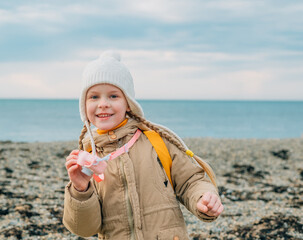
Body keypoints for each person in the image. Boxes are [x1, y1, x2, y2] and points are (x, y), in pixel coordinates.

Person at [63, 51, 223, 239]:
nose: (103, 104)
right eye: (94, 97)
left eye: (113, 96)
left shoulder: (156, 141)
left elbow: (190, 181)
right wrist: (80, 190)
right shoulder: (89, 158)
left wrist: (203, 198)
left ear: (128, 103)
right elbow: (85, 229)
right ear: (84, 105)